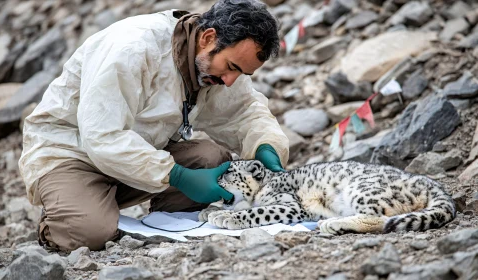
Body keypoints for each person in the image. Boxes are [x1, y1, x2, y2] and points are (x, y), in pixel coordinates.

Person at [19, 0, 289, 251]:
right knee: (89, 232)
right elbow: (102, 136)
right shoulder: (133, 48)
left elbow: (245, 113)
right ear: (208, 38)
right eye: (231, 67)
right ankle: (68, 212)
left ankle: (165, 220)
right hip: (72, 154)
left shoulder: (214, 63)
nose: (231, 80)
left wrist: (266, 148)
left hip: (135, 155)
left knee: (211, 159)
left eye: (242, 73)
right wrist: (178, 176)